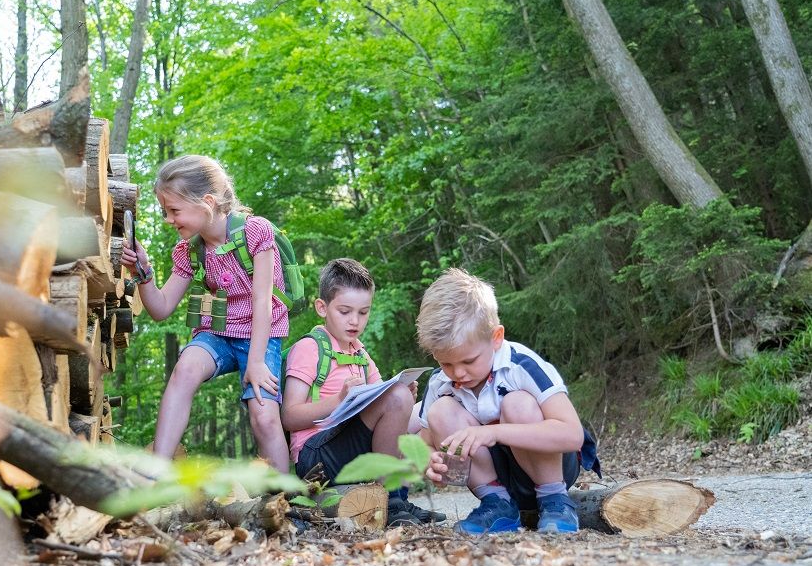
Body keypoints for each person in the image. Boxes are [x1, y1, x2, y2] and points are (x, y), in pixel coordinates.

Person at [120, 154, 289, 472]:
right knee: (184, 370)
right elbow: (161, 308)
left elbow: (263, 301)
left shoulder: (255, 233)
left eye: (174, 210)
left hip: (260, 334)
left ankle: (286, 497)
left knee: (264, 416)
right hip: (217, 333)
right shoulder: (189, 251)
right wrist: (144, 274)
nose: (168, 219)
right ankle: (155, 472)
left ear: (207, 201)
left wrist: (254, 362)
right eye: (165, 211)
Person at [416, 268, 600, 534]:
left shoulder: (521, 366)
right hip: (494, 480)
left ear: (496, 338)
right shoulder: (440, 383)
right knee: (440, 411)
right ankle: (497, 505)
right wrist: (433, 462)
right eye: (446, 363)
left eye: (469, 361)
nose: (458, 373)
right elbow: (422, 442)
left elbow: (572, 435)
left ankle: (555, 501)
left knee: (518, 403)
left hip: (548, 468)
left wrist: (493, 432)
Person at [281, 258, 445, 526]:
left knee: (429, 409)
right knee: (397, 399)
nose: (355, 321)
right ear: (322, 307)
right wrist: (337, 401)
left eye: (363, 312)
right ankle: (390, 502)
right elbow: (289, 417)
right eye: (345, 311)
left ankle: (398, 500)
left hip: (350, 449)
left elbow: (384, 402)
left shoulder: (360, 353)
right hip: (317, 458)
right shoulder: (310, 348)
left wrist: (405, 397)